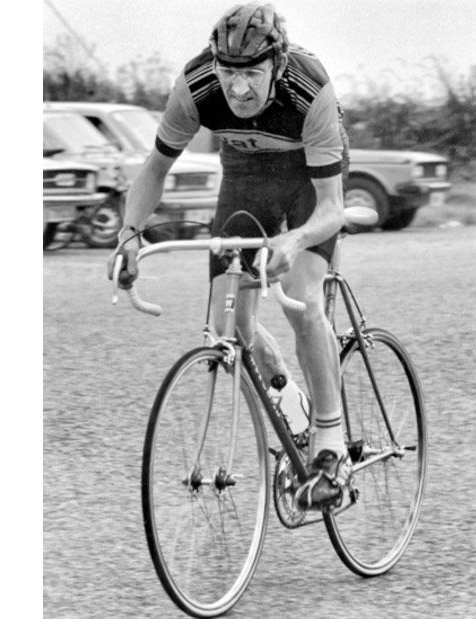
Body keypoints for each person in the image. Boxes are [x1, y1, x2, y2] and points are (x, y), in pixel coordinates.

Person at [107, 2, 351, 508]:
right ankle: (295, 411)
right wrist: (129, 234)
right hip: (246, 174)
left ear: (277, 65)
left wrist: (295, 239)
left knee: (302, 299)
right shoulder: (195, 85)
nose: (237, 88)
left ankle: (332, 449)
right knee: (227, 324)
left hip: (308, 179)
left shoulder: (310, 90)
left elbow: (332, 209)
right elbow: (155, 169)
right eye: (228, 73)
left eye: (252, 74)